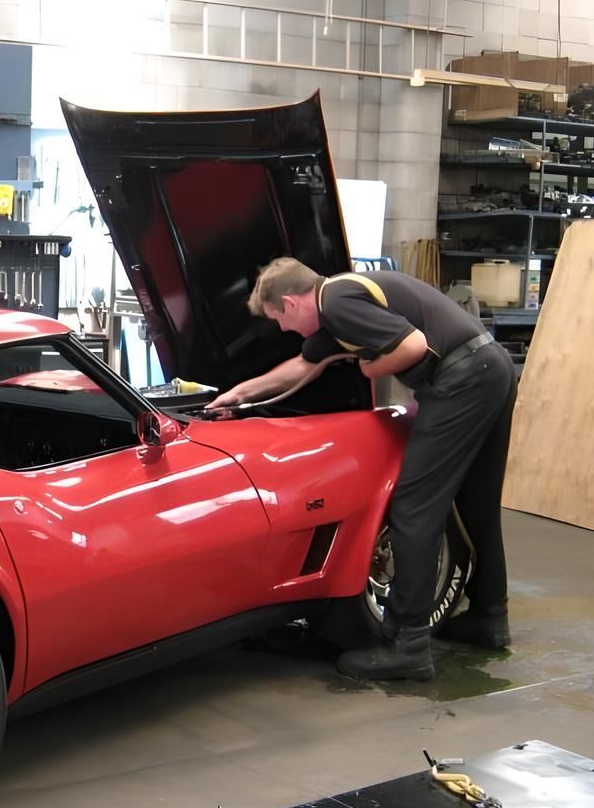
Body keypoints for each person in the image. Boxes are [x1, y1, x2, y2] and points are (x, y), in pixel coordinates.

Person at [208, 257, 517, 681]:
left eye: (278, 318)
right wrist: (238, 394)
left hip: (461, 379)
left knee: (414, 509)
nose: (281, 329)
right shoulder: (339, 305)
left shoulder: (336, 303)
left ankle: (408, 645)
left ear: (293, 302)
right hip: (490, 368)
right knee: (476, 501)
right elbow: (301, 366)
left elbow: (410, 347)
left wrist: (371, 365)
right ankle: (489, 617)